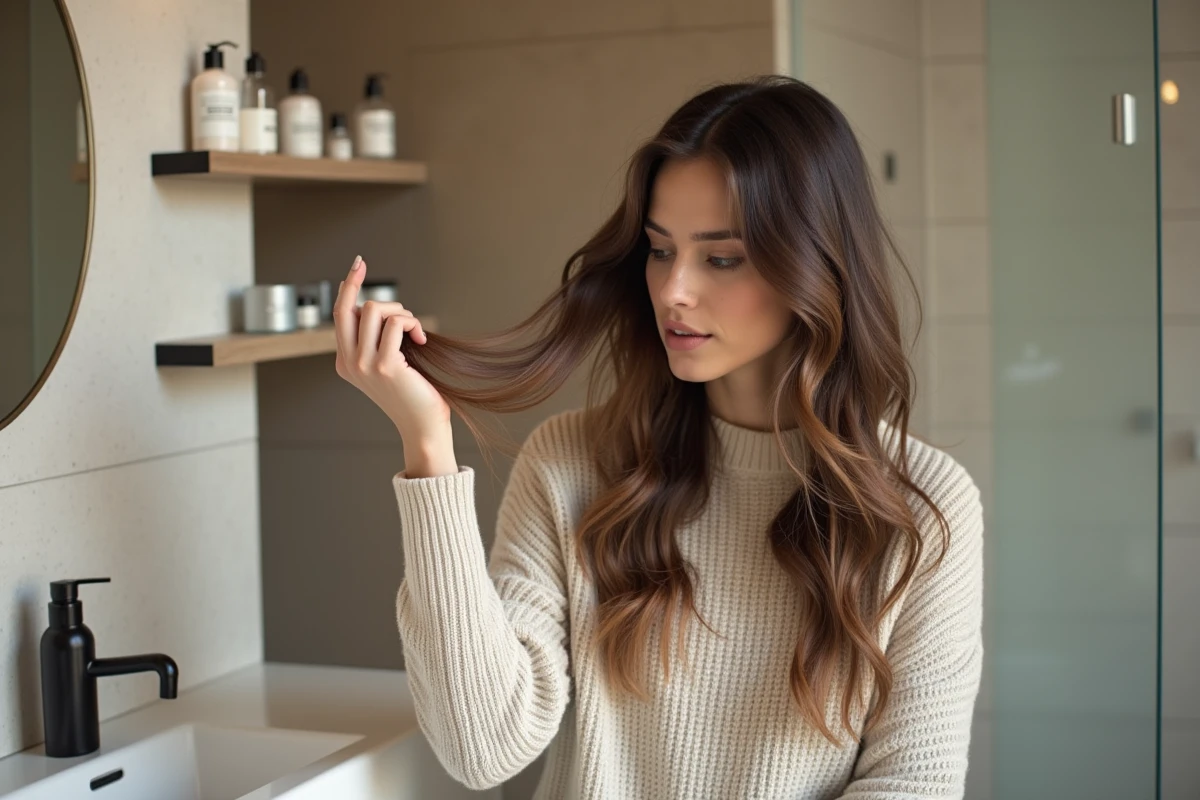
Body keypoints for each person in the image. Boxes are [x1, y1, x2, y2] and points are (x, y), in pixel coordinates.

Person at [333, 74, 983, 800]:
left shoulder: (922, 509)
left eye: (722, 257)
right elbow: (482, 747)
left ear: (817, 267)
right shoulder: (571, 464)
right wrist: (427, 452)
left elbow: (911, 783)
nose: (674, 289)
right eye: (659, 249)